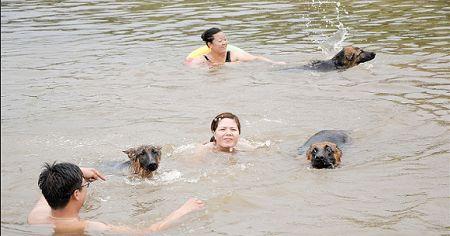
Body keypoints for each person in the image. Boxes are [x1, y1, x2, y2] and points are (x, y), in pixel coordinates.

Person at [27, 162, 205, 234]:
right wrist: (183, 210)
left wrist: (79, 173)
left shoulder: (36, 217)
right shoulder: (90, 226)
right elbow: (148, 232)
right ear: (76, 194)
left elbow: (48, 185)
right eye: (85, 185)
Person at [189, 27, 285, 66]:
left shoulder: (233, 56)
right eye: (220, 41)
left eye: (225, 39)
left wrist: (274, 62)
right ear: (210, 44)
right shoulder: (202, 60)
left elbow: (256, 58)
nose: (224, 43)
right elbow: (189, 69)